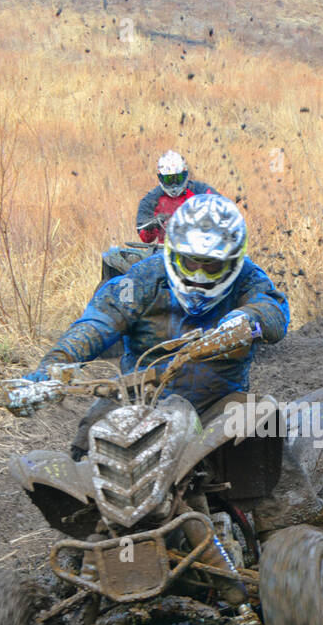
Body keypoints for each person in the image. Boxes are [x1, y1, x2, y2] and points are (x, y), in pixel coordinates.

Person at [24, 194, 289, 461]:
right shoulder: (144, 278)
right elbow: (98, 322)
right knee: (88, 448)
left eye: (212, 265)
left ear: (232, 261)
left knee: (264, 426)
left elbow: (273, 309)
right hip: (139, 400)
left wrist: (245, 320)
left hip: (218, 406)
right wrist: (55, 365)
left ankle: (289, 502)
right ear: (174, 253)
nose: (198, 274)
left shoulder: (248, 277)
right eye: (191, 261)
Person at [135, 150, 219, 244]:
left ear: (185, 175)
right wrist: (152, 226)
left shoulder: (201, 190)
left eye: (178, 179)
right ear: (161, 178)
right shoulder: (151, 200)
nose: (174, 185)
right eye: (169, 180)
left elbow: (223, 207)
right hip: (166, 251)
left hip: (201, 247)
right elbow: (145, 239)